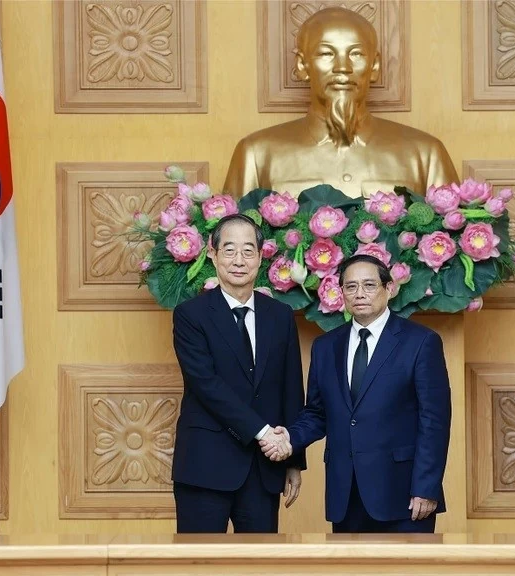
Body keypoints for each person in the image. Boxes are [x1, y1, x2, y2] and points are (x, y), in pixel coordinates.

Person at [261, 255, 451, 533]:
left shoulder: (421, 342)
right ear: (341, 294)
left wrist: (426, 487)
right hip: (345, 494)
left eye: (369, 285)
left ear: (390, 289)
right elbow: (317, 413)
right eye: (350, 287)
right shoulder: (326, 347)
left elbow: (435, 421)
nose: (359, 293)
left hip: (404, 495)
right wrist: (289, 438)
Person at [222, 7, 458, 199]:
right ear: (302, 66)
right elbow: (233, 246)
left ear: (374, 66)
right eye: (326, 54)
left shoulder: (426, 154)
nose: (342, 68)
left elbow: (453, 248)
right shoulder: (256, 154)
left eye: (356, 54)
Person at [171, 213, 306, 533]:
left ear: (261, 257)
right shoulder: (191, 315)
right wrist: (264, 434)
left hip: (264, 469)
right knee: (198, 566)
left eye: (248, 251)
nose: (239, 260)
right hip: (204, 466)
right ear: (213, 255)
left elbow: (290, 387)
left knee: (261, 566)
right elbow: (207, 385)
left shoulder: (280, 315)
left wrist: (293, 459)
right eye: (229, 250)